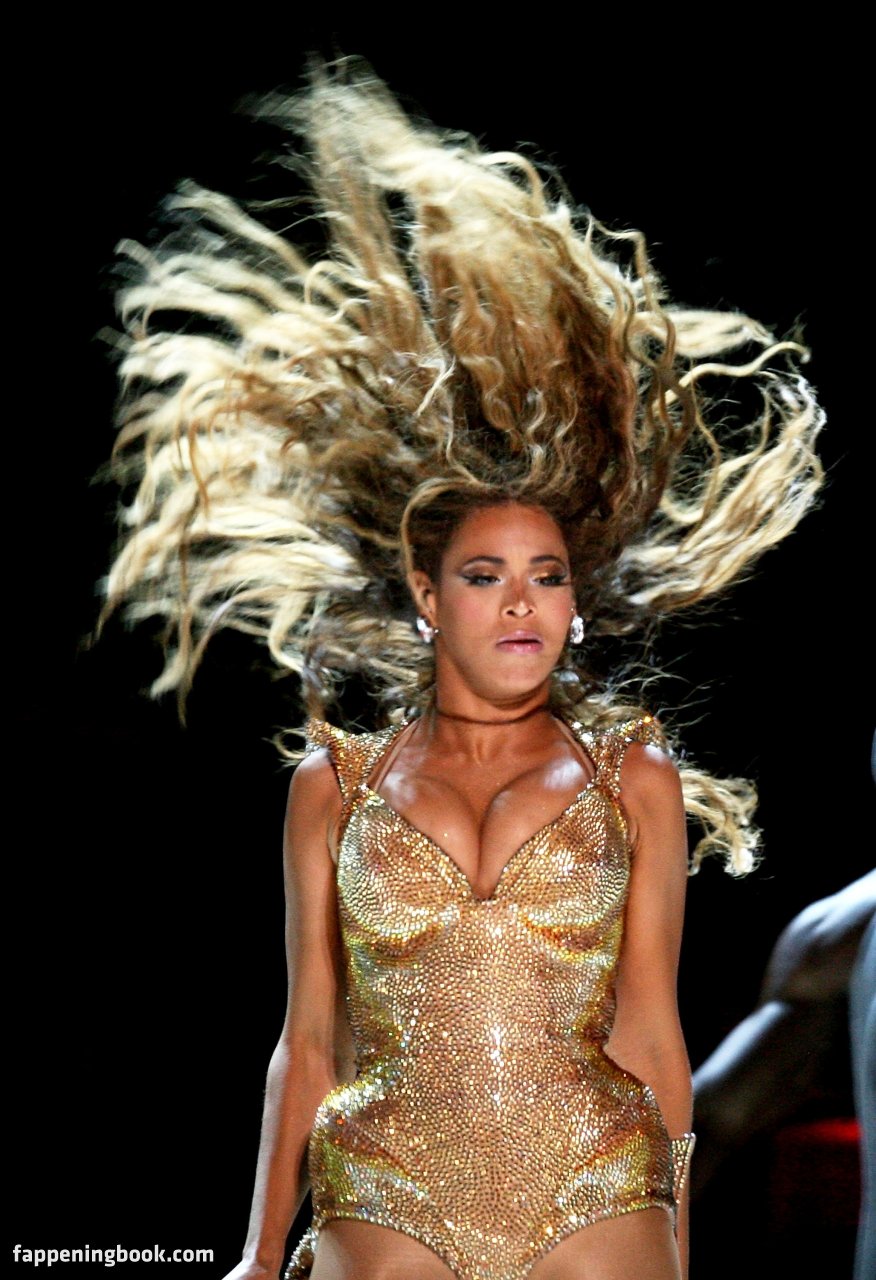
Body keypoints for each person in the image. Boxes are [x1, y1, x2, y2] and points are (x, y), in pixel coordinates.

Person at [96, 56, 824, 1280]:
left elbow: (654, 1032)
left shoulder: (632, 778)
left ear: (576, 606)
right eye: (486, 575)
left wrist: (682, 1244)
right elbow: (309, 1037)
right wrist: (257, 1251)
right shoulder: (333, 788)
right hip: (387, 1194)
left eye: (549, 575)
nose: (522, 600)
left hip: (598, 1194)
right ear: (431, 600)